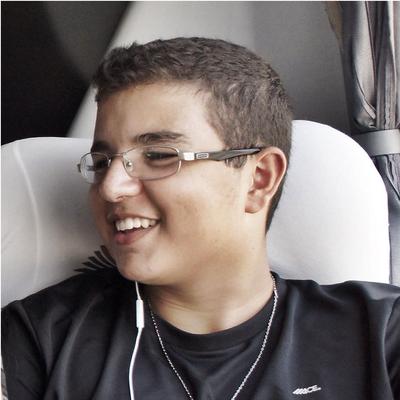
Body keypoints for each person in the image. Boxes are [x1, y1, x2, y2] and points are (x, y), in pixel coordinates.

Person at [2, 37, 399, 400]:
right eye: (103, 162)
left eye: (158, 156)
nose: (110, 187)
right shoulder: (36, 339)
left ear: (259, 179)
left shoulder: (382, 334)